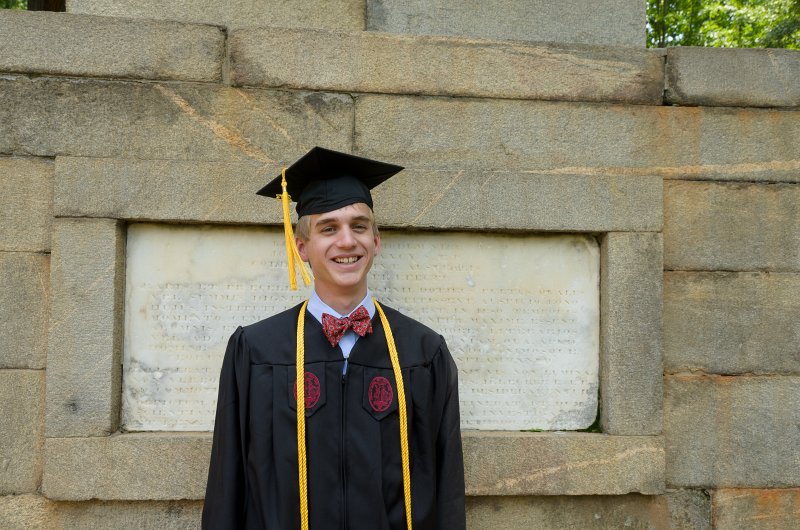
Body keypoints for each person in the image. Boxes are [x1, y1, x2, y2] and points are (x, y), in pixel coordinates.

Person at [201, 147, 466, 529]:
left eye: (359, 226)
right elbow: (227, 485)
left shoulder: (423, 353)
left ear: (376, 242)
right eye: (329, 228)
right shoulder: (256, 351)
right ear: (302, 248)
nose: (347, 241)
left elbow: (448, 493)